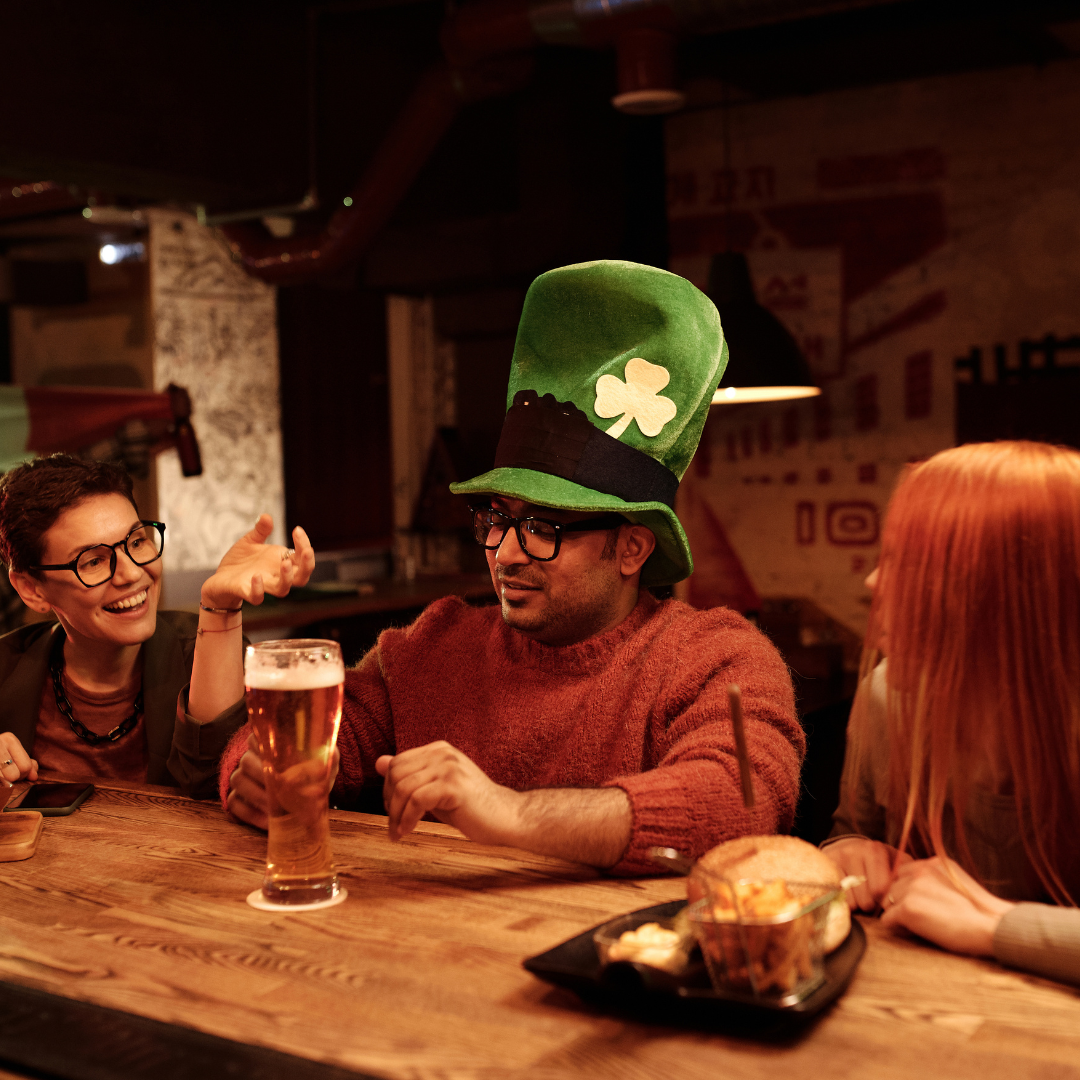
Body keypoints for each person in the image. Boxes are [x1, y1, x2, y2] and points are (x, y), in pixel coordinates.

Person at [222, 259, 805, 875]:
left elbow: (741, 804)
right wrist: (261, 772)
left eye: (544, 527)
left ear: (632, 548)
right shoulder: (433, 648)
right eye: (497, 518)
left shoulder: (717, 659)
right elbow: (333, 733)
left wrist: (511, 814)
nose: (504, 551)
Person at [825, 440, 1080, 985]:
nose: (872, 584)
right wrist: (850, 851)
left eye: (907, 564)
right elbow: (850, 830)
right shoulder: (885, 695)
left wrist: (997, 926)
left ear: (1011, 593)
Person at [0, 454, 313, 800]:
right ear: (32, 589)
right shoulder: (6, 667)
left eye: (136, 542)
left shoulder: (204, 653)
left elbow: (213, 788)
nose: (132, 573)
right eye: (92, 561)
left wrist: (220, 607)